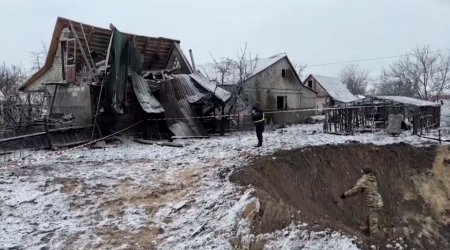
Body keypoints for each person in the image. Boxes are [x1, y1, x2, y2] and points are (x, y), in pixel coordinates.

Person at [341, 167, 384, 236]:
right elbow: (366, 188)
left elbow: (354, 190)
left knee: (373, 219)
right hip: (378, 200)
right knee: (370, 214)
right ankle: (368, 228)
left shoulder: (364, 180)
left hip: (373, 203)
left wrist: (345, 195)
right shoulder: (373, 178)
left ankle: (375, 238)